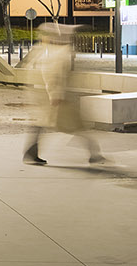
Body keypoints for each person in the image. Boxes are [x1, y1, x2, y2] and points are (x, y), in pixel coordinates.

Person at [21, 23, 103, 166]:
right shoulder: (60, 52)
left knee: (43, 123)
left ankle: (31, 152)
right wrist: (55, 95)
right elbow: (53, 75)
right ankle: (94, 154)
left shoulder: (44, 49)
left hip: (46, 96)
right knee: (76, 125)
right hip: (57, 98)